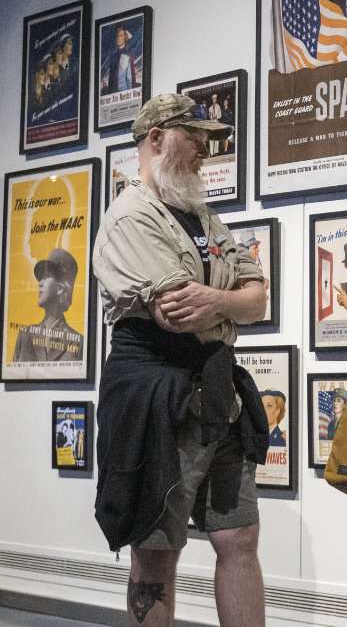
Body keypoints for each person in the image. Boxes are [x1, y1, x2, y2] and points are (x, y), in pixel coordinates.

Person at [93, 92, 270, 626]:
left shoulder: (202, 215)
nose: (203, 150)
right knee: (156, 547)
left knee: (239, 536)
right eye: (193, 137)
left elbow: (260, 295)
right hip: (155, 397)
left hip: (216, 396)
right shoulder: (129, 216)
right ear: (156, 138)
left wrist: (222, 303)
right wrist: (234, 304)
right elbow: (177, 311)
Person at [13, 247, 84, 363]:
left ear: (60, 288)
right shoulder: (24, 336)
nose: (39, 283)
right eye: (40, 278)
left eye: (46, 277)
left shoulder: (78, 342)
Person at [102, 26, 135, 94]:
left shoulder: (128, 55)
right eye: (117, 36)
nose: (118, 38)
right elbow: (111, 75)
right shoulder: (113, 55)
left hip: (124, 92)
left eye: (121, 36)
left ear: (125, 38)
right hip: (112, 92)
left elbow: (130, 78)